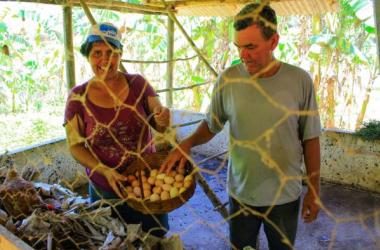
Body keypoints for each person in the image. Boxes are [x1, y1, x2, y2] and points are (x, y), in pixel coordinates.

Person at [160, 3, 321, 250]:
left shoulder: (299, 81)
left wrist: (314, 190)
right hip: (241, 195)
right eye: (238, 47)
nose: (243, 55)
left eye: (250, 47)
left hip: (285, 197)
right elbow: (211, 125)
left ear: (274, 41)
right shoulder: (228, 80)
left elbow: (310, 139)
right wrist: (188, 143)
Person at [64, 22, 170, 237]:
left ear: (120, 54)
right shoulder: (77, 97)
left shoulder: (138, 85)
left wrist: (163, 117)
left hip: (147, 183)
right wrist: (104, 170)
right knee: (113, 240)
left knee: (153, 238)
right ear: (87, 55)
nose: (105, 60)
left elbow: (159, 122)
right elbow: (75, 146)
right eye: (97, 53)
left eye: (112, 52)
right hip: (105, 189)